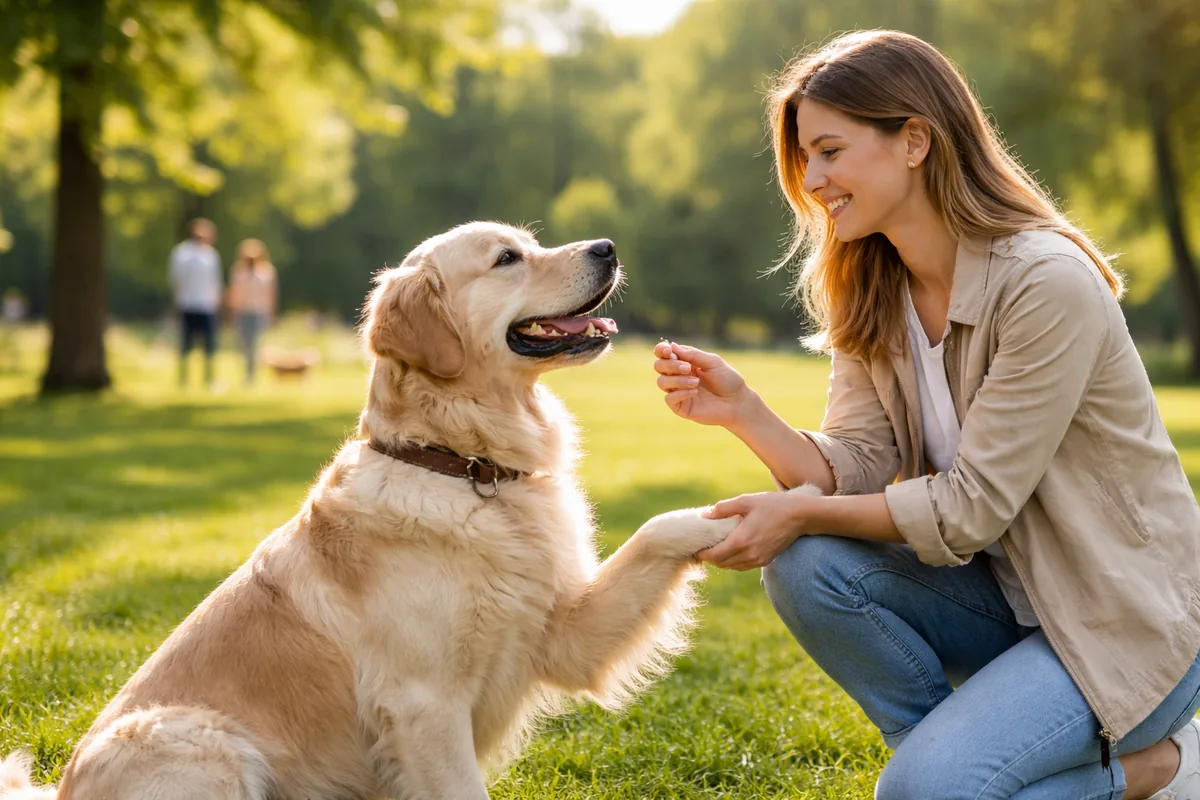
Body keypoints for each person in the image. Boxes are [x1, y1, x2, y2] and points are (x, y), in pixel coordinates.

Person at [652, 30, 1200, 800]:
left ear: (914, 140)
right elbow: (857, 465)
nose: (813, 180)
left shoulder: (1046, 284)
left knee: (920, 790)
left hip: (1123, 626)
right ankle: (941, 759)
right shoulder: (874, 285)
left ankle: (1165, 769)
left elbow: (970, 509)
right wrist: (744, 413)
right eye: (806, 158)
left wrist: (799, 514)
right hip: (1003, 603)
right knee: (806, 565)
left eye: (831, 151)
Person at [168, 218, 222, 387]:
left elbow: (215, 281)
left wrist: (217, 301)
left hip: (207, 305)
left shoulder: (211, 254)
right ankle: (183, 379)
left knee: (209, 344)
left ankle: (209, 378)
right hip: (187, 304)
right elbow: (175, 278)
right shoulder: (181, 253)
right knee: (186, 343)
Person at [226, 238, 277, 385]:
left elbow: (271, 295)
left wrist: (272, 314)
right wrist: (231, 312)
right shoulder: (238, 272)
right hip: (242, 312)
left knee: (254, 344)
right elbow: (234, 293)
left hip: (258, 312)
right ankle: (247, 372)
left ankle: (251, 375)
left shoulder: (267, 272)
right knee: (242, 344)